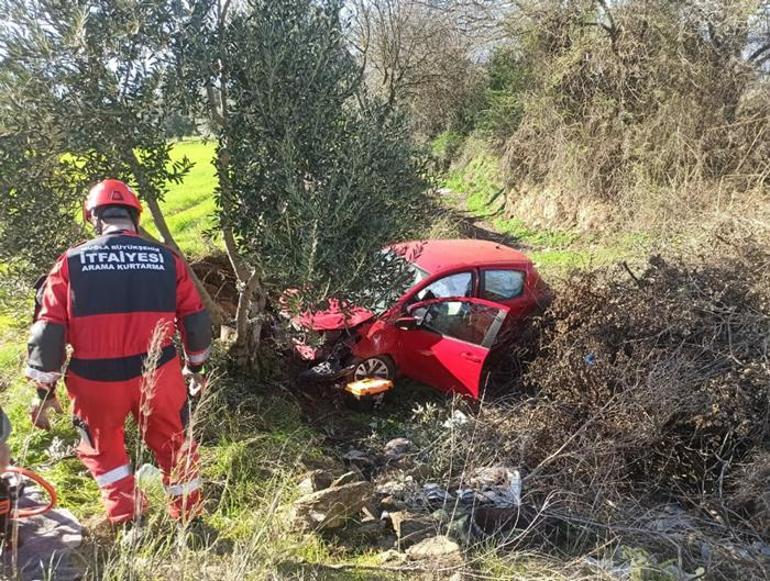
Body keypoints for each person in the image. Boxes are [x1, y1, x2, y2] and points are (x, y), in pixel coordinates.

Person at [24, 179, 213, 544]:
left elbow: (48, 331)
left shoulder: (71, 262)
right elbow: (195, 319)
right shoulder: (165, 259)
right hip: (159, 374)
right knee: (175, 444)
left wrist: (43, 394)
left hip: (95, 381)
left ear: (95, 219)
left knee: (104, 451)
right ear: (135, 217)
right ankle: (191, 524)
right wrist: (196, 368)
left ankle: (131, 523)